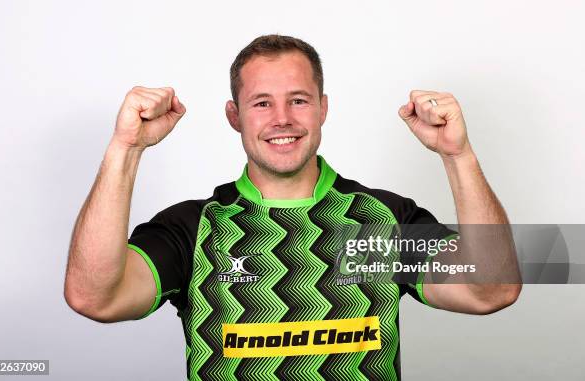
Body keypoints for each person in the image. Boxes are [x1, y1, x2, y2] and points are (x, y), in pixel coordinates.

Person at [64, 34, 521, 380]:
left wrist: (457, 156)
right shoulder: (194, 227)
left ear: (322, 109)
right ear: (234, 116)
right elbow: (93, 298)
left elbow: (492, 290)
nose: (282, 118)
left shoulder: (378, 222)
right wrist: (125, 148)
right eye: (262, 103)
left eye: (298, 100)